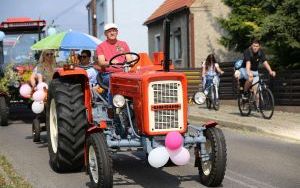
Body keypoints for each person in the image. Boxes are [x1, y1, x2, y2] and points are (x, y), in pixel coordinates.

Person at [96, 23, 132, 103]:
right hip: (108, 74)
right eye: (109, 31)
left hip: (123, 73)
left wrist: (130, 63)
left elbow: (129, 59)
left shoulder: (123, 44)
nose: (112, 33)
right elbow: (101, 62)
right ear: (105, 33)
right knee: (114, 80)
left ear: (117, 32)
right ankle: (112, 107)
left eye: (114, 31)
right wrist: (110, 62)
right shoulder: (101, 46)